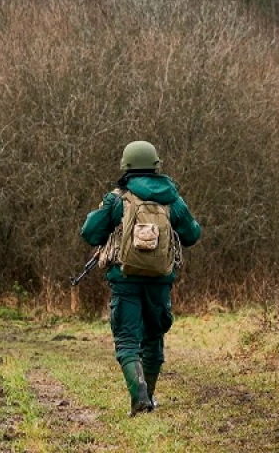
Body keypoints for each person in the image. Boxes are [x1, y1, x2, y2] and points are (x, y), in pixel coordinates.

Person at [80, 140, 202, 416]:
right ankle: (149, 397)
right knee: (153, 338)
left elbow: (89, 232)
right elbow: (193, 235)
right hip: (160, 281)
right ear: (157, 165)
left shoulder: (117, 198)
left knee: (127, 341)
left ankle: (139, 398)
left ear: (126, 166)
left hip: (124, 280)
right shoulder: (172, 198)